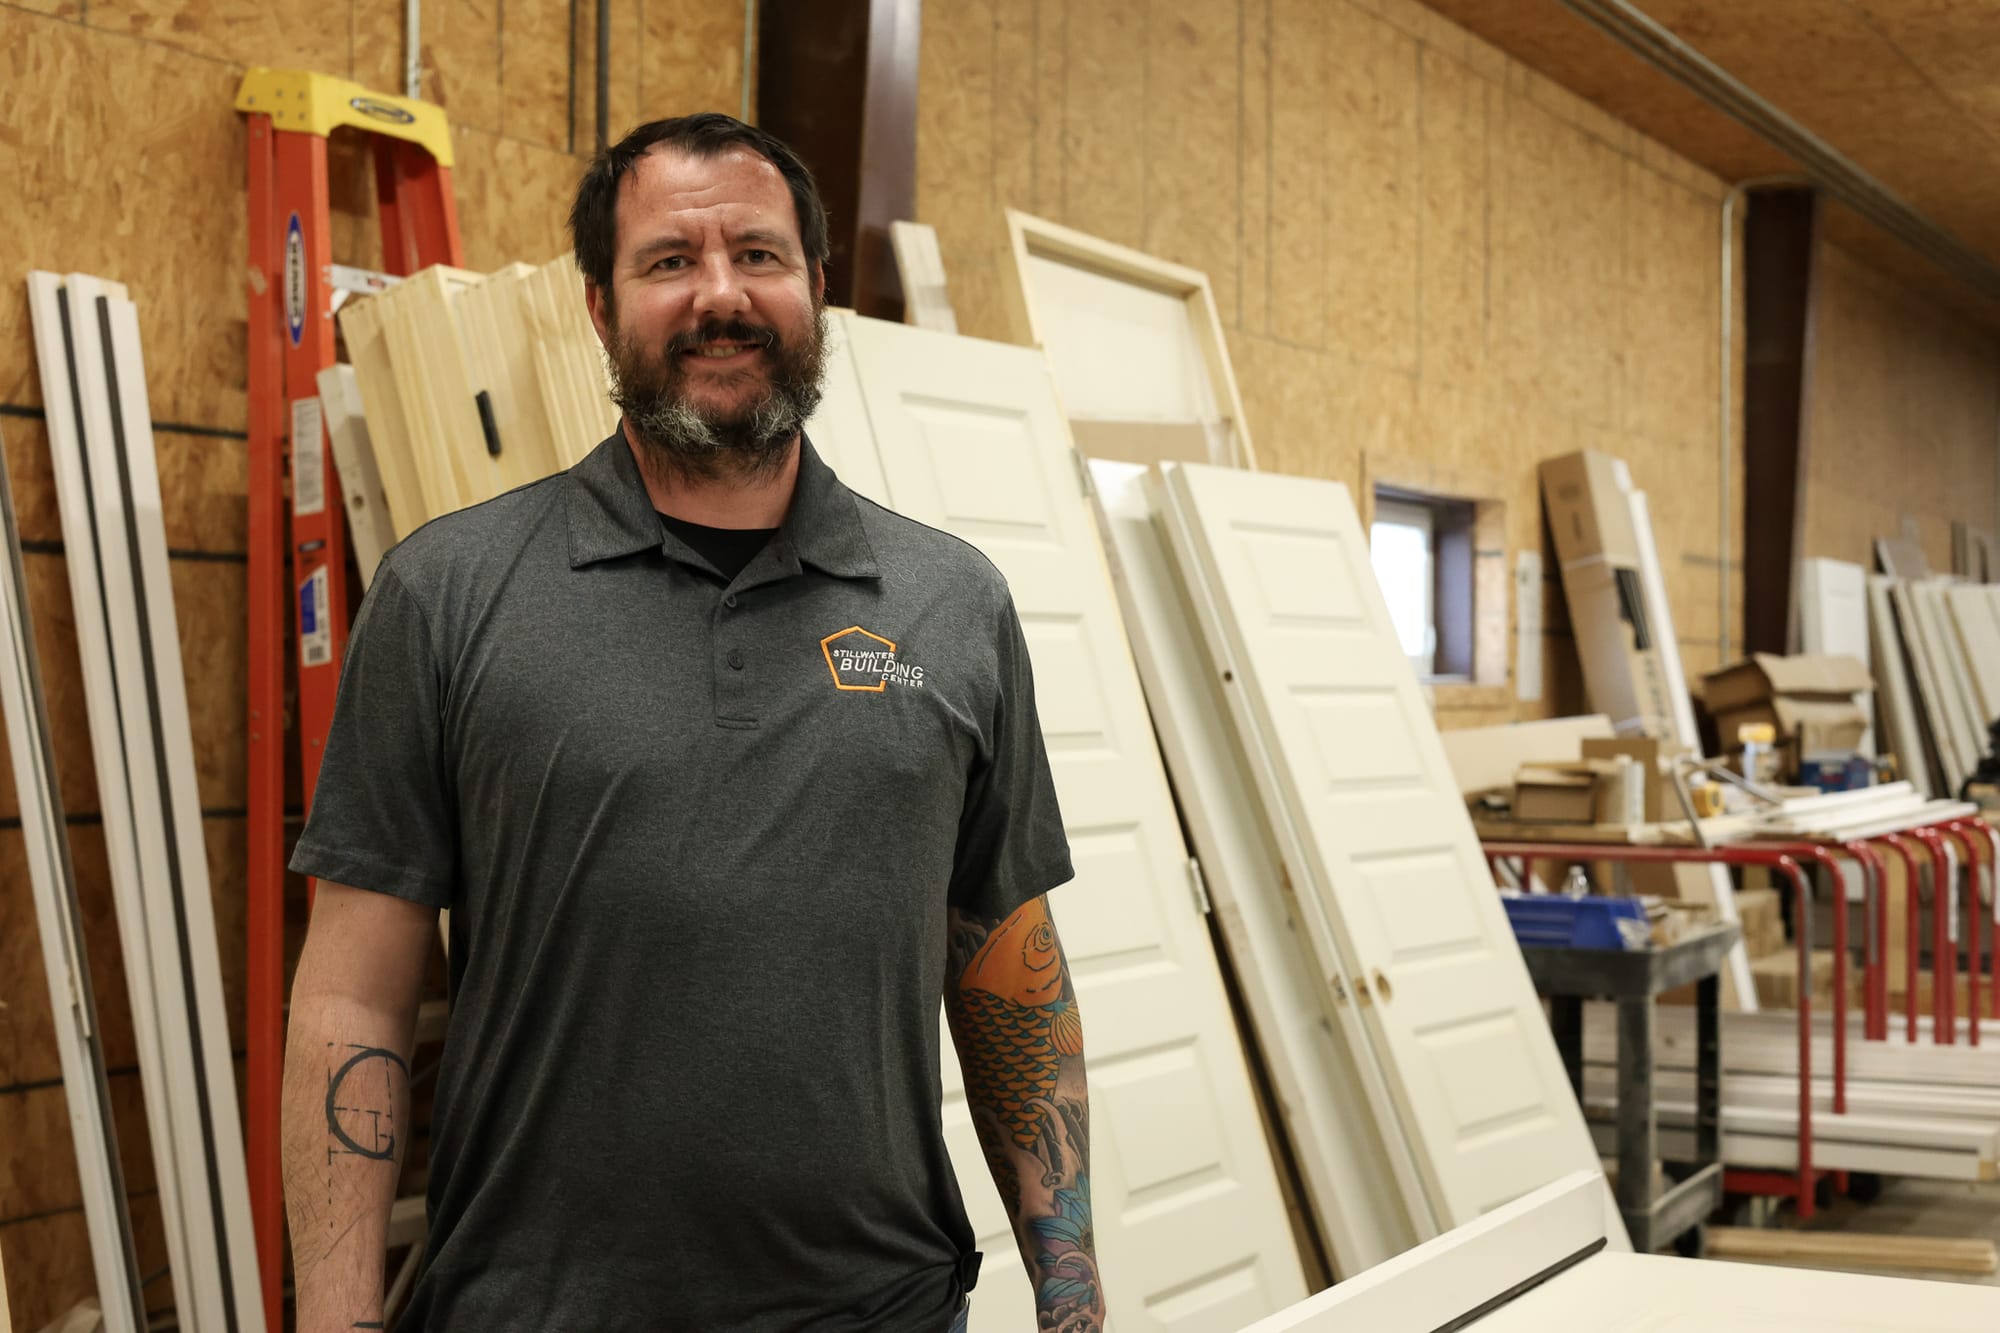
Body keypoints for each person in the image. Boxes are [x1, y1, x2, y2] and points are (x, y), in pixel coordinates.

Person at [280, 113, 1105, 1333]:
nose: (721, 293)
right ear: (598, 308)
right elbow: (352, 1002)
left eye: (759, 256)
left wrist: (1071, 1298)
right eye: (670, 260)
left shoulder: (952, 605)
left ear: (815, 290)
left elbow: (1010, 975)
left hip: (879, 1310)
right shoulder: (448, 595)